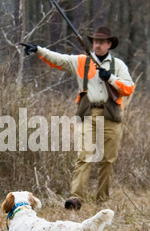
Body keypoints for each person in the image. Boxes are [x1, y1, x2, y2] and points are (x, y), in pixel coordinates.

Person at [21, 27, 134, 210]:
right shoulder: (82, 62)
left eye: (102, 42)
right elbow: (59, 59)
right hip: (88, 114)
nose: (97, 45)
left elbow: (129, 88)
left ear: (109, 44)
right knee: (84, 156)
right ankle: (76, 199)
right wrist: (38, 50)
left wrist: (111, 78)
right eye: (95, 41)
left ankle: (102, 201)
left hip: (110, 116)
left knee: (108, 160)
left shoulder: (118, 65)